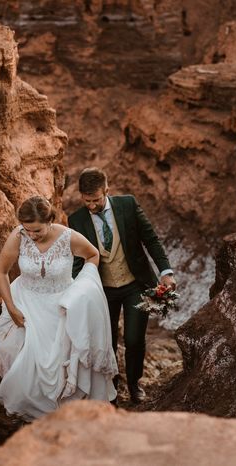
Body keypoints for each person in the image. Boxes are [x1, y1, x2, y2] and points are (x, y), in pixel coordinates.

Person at [0, 196, 118, 420]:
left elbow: (93, 255)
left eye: (37, 231)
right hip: (26, 303)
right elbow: (1, 271)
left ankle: (62, 416)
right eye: (27, 229)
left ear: (50, 220)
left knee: (62, 364)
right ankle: (30, 418)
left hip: (62, 307)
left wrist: (83, 288)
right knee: (22, 359)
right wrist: (11, 307)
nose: (31, 235)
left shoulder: (68, 237)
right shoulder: (18, 236)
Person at [68, 167, 176, 402]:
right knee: (106, 342)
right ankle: (111, 390)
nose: (91, 205)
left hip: (134, 284)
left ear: (107, 190)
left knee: (134, 339)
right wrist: (75, 291)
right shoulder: (75, 220)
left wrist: (165, 272)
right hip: (102, 290)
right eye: (86, 201)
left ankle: (135, 385)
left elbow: (151, 239)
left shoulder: (128, 205)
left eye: (96, 200)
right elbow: (78, 260)